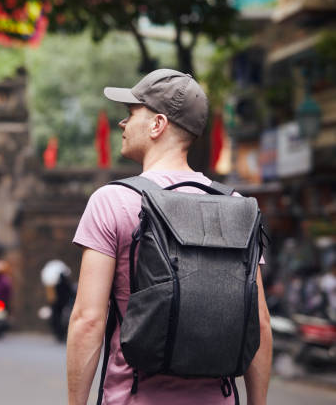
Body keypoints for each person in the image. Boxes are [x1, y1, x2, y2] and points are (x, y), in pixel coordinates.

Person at [67, 69, 272, 405]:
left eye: (131, 113)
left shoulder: (113, 201)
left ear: (157, 124)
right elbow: (260, 322)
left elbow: (88, 320)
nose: (122, 124)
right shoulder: (236, 206)